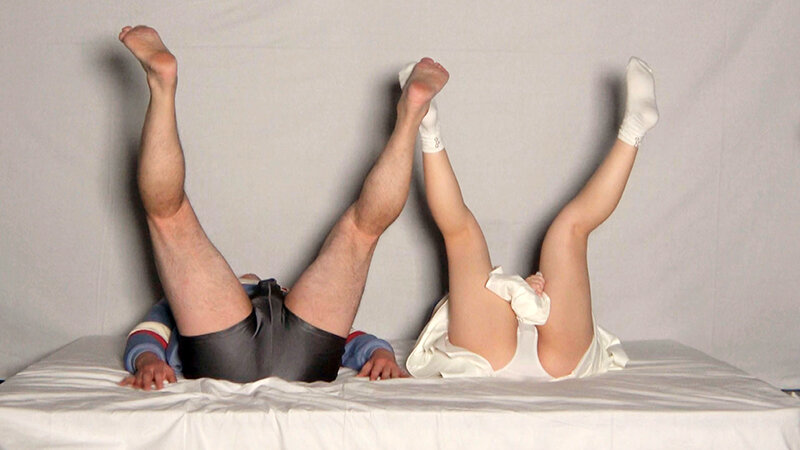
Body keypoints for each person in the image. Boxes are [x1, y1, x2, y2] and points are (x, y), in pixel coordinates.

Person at [115, 25, 448, 388]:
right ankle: (410, 118)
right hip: (304, 354)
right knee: (361, 231)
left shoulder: (198, 300)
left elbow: (149, 332)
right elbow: (355, 340)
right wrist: (380, 353)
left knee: (169, 217)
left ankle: (162, 85)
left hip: (229, 353)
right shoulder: (283, 297)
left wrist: (149, 359)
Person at [405, 57, 659, 379]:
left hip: (485, 354)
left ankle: (428, 127)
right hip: (562, 357)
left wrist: (515, 302)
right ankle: (634, 129)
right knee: (570, 230)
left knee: (461, 237)